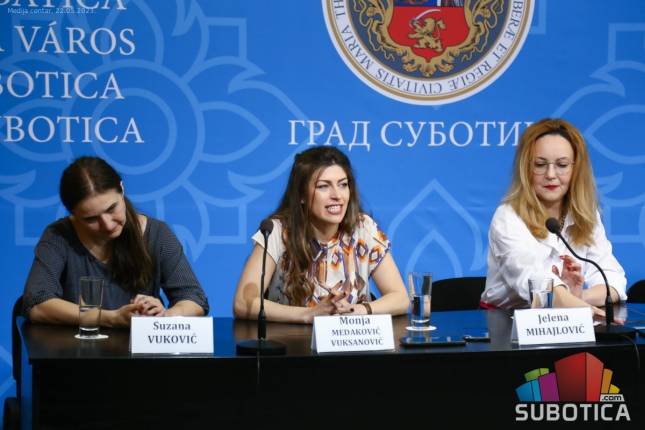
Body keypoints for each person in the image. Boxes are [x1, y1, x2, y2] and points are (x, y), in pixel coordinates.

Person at [23, 156, 209, 327]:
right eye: (91, 219)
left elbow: (195, 299)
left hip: (140, 351)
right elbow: (36, 304)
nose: (107, 224)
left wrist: (163, 316)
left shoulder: (157, 234)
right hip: (77, 349)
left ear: (122, 189)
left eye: (112, 208)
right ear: (73, 214)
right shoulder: (59, 236)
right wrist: (110, 318)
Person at [233, 147, 408, 324]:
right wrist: (308, 315)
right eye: (323, 186)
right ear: (301, 195)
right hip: (292, 339)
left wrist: (359, 310)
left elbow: (400, 298)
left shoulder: (363, 228)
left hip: (350, 338)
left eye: (343, 184)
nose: (337, 195)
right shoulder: (277, 231)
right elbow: (242, 303)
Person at [481, 118, 627, 313]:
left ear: (575, 169)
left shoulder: (585, 214)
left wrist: (577, 298)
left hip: (568, 315)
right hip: (505, 321)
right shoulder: (508, 217)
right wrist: (585, 310)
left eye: (562, 165)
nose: (550, 174)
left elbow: (612, 280)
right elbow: (536, 283)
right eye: (540, 164)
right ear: (526, 168)